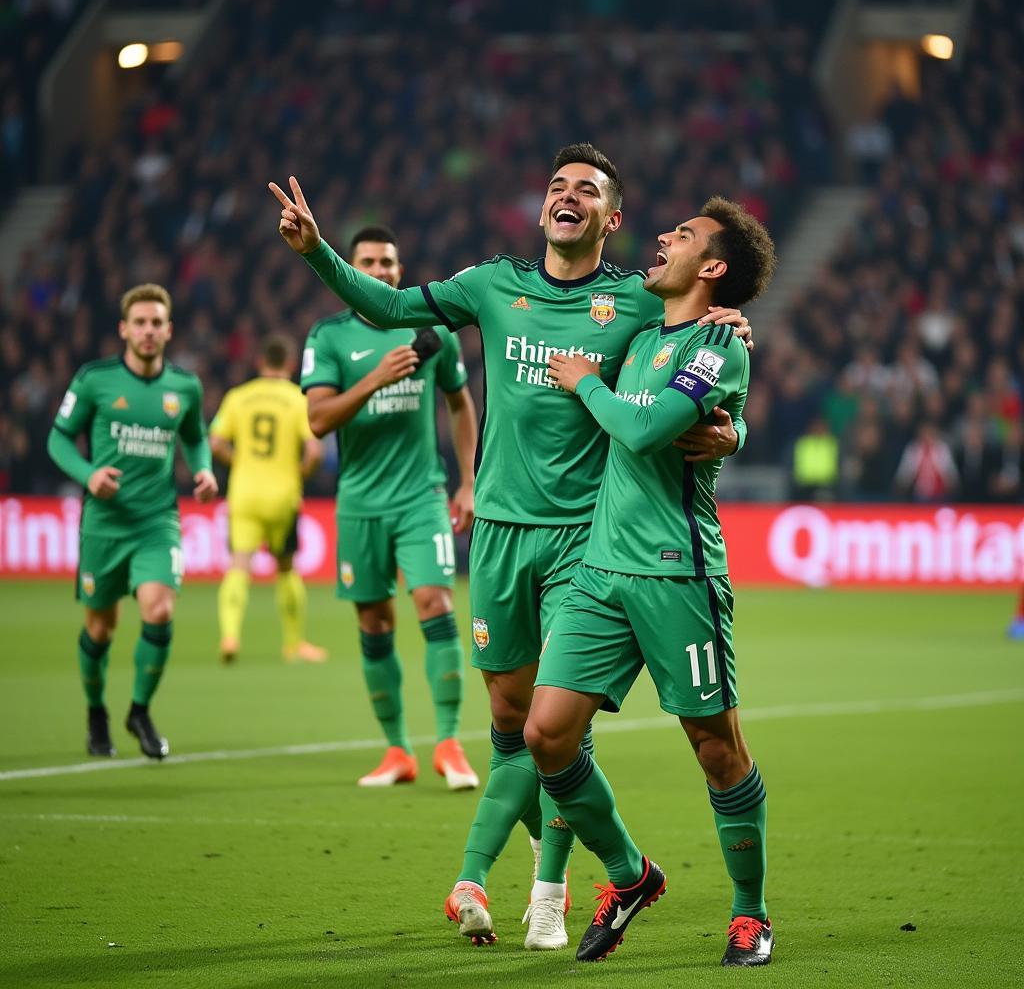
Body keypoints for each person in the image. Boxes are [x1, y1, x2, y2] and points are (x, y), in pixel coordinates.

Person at [269, 146, 751, 950]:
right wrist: (317, 250)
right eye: (558, 186)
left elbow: (701, 362)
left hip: (586, 542)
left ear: (612, 218)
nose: (568, 196)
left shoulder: (635, 299)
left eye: (587, 190)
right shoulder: (493, 284)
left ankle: (552, 890)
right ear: (542, 209)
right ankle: (596, 863)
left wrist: (734, 426)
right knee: (507, 716)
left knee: (555, 725)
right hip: (496, 533)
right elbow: (390, 309)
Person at [527, 197, 776, 966]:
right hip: (600, 572)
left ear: (713, 267)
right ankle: (631, 875)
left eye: (685, 235)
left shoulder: (717, 345)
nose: (663, 237)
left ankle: (750, 914)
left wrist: (584, 385)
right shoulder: (639, 336)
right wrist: (730, 430)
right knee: (545, 736)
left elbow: (640, 429)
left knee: (716, 750)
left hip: (677, 574)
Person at [300, 225, 480, 791]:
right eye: (369, 261)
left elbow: (461, 405)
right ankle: (397, 750)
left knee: (433, 600)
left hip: (420, 496)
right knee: (374, 622)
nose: (380, 270)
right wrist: (376, 379)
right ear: (351, 271)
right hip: (358, 504)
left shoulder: (431, 334)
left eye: (389, 262)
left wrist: (467, 482)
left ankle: (449, 743)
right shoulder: (328, 339)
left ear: (400, 271)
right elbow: (319, 420)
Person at [47, 283, 218, 759]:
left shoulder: (185, 386)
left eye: (156, 323)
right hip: (103, 524)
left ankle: (139, 710)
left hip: (156, 521)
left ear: (169, 330)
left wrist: (202, 468)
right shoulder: (93, 380)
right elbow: (58, 440)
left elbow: (195, 437)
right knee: (100, 629)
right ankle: (96, 710)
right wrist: (89, 474)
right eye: (139, 323)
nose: (148, 331)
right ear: (124, 329)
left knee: (159, 610)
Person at [209, 333, 325, 664]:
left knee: (239, 566)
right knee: (286, 568)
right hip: (282, 496)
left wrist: (238, 462)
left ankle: (230, 637)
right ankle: (293, 644)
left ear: (260, 363)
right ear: (289, 364)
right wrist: (300, 472)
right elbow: (315, 451)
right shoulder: (297, 400)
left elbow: (216, 443)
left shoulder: (238, 397)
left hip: (243, 494)